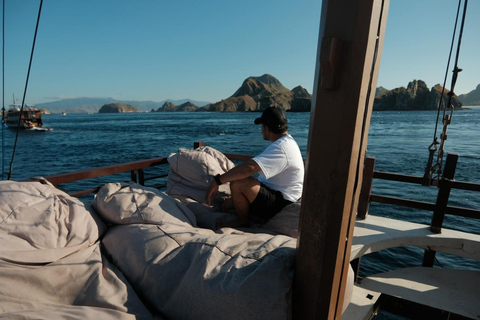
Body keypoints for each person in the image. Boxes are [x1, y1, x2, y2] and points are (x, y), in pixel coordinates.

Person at [205, 106, 304, 229]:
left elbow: (249, 168)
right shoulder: (286, 142)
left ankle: (243, 221)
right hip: (278, 195)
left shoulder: (282, 147)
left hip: (282, 203)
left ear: (266, 128)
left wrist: (217, 181)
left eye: (262, 126)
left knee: (238, 182)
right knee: (226, 205)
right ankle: (248, 214)